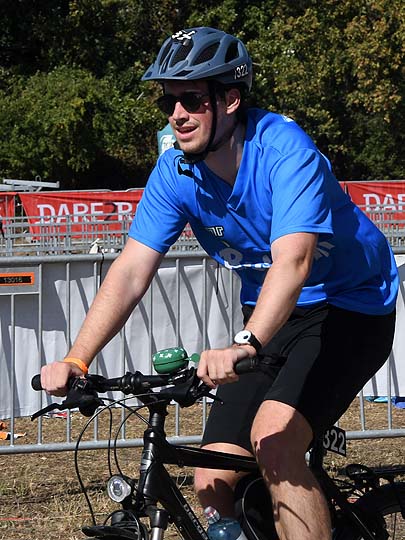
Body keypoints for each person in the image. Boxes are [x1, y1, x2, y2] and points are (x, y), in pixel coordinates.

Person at [40, 27, 399, 540]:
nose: (176, 114)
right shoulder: (177, 171)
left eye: (191, 100)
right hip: (272, 312)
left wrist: (245, 343)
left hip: (350, 305)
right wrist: (78, 359)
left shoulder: (284, 151)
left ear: (230, 99)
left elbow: (294, 262)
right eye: (168, 101)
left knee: (274, 441)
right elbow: (131, 270)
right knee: (210, 477)